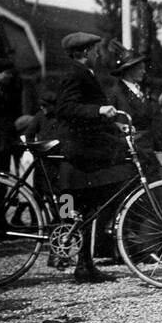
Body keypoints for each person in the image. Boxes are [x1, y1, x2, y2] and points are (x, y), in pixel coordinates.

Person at [52, 32, 131, 282]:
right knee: (119, 176)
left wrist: (113, 125)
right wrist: (99, 109)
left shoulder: (85, 73)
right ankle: (84, 262)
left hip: (87, 145)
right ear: (85, 52)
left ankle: (85, 265)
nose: (99, 53)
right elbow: (64, 108)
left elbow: (88, 115)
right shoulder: (74, 73)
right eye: (96, 50)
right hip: (80, 147)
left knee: (90, 206)